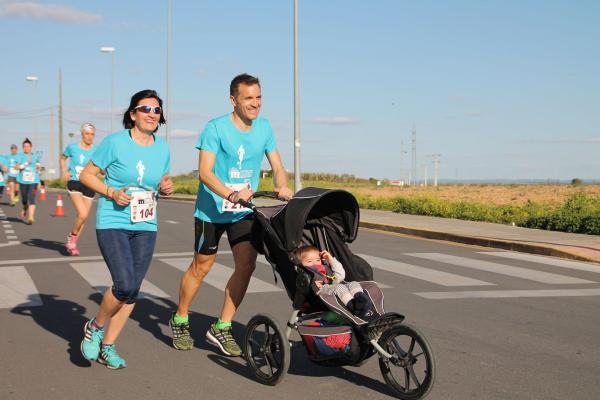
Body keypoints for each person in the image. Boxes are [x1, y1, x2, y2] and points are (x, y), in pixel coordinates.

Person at [169, 73, 294, 356]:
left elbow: (277, 165)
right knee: (201, 267)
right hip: (211, 210)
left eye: (258, 97)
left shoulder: (264, 128)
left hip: (243, 212)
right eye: (248, 98)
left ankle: (222, 327)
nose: (255, 104)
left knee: (246, 265)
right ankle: (180, 317)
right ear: (233, 100)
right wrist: (229, 193)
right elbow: (204, 173)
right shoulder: (215, 128)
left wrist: (282, 184)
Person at [79, 90, 173, 369]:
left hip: (146, 223)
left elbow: (162, 182)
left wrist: (166, 188)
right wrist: (110, 192)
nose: (151, 114)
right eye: (145, 109)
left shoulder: (163, 147)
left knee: (132, 291)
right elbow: (86, 175)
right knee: (124, 284)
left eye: (156, 110)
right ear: (132, 114)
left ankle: (108, 346)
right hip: (113, 221)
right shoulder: (115, 143)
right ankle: (95, 327)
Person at [296, 245, 375, 320]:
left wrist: (331, 260)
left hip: (331, 287)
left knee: (353, 283)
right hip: (320, 292)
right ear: (301, 264)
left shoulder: (324, 268)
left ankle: (362, 300)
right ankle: (354, 307)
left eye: (317, 260)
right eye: (309, 261)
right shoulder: (306, 273)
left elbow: (340, 276)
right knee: (339, 287)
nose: (315, 263)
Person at [60, 123, 97, 255]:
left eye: (92, 134)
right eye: (87, 134)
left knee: (83, 218)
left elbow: (101, 167)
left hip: (89, 184)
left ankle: (72, 243)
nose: (90, 137)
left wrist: (103, 171)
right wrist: (64, 171)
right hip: (75, 182)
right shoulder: (72, 148)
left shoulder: (97, 150)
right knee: (83, 214)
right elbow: (62, 158)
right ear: (82, 134)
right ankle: (72, 237)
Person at [14, 138, 42, 225]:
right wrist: (26, 163)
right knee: (24, 199)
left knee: (32, 198)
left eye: (28, 146)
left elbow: (38, 165)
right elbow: (17, 167)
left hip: (33, 181)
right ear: (23, 148)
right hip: (23, 181)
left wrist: (39, 167)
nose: (26, 148)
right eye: (25, 146)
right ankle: (25, 206)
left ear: (31, 147)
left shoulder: (35, 156)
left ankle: (31, 217)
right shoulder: (19, 156)